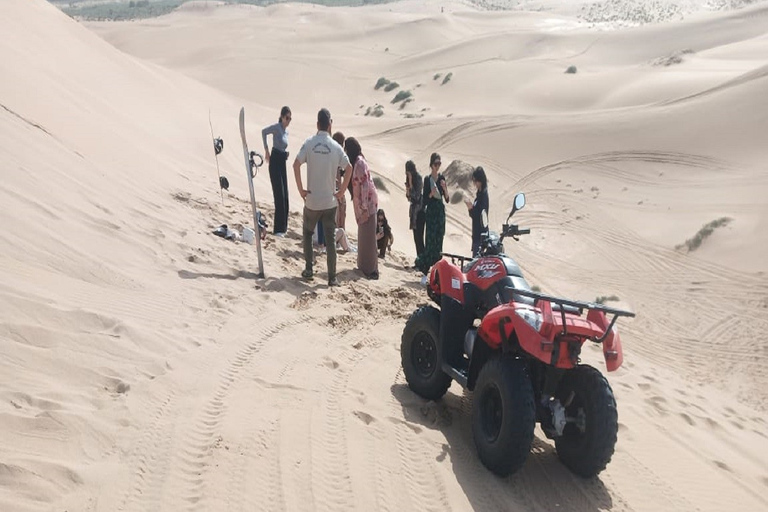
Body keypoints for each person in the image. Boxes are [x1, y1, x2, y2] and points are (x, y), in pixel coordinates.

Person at [293, 108, 353, 286]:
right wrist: (341, 191)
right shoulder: (335, 146)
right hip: (329, 200)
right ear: (330, 124)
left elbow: (296, 165)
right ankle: (332, 277)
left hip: (312, 200)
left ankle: (309, 269)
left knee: (308, 233)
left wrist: (301, 190)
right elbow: (348, 167)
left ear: (317, 124)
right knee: (330, 240)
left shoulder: (310, 143)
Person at [346, 137, 379, 279]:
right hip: (364, 205)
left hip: (368, 205)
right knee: (364, 236)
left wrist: (364, 207)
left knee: (368, 237)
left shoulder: (359, 163)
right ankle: (364, 266)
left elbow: (364, 186)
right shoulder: (358, 162)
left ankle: (370, 270)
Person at [415, 152, 449, 274]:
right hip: (431, 212)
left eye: (439, 163)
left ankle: (437, 269)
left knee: (439, 239)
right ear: (431, 164)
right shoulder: (427, 179)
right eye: (436, 163)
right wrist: (431, 193)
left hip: (439, 212)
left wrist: (444, 188)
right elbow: (424, 201)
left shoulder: (441, 178)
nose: (438, 166)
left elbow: (447, 199)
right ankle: (425, 267)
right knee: (430, 239)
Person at [262, 106, 292, 236]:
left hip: (282, 161)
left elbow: (283, 146)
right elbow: (263, 132)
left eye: (290, 119)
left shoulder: (286, 132)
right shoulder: (277, 127)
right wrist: (266, 150)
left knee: (285, 195)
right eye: (287, 118)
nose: (288, 121)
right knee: (279, 194)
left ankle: (283, 228)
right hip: (274, 160)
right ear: (282, 116)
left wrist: (286, 154)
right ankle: (278, 229)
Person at [465, 166, 489, 257]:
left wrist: (470, 208)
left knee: (477, 262)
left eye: (476, 181)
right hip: (476, 234)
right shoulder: (479, 194)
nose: (474, 183)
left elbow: (481, 215)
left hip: (480, 235)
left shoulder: (483, 195)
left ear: (481, 180)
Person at [405, 160, 425, 259]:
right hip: (413, 212)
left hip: (420, 212)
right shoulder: (409, 180)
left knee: (419, 238)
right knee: (416, 238)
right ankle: (418, 259)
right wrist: (408, 185)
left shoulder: (418, 178)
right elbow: (408, 197)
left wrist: (411, 184)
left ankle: (422, 261)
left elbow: (417, 196)